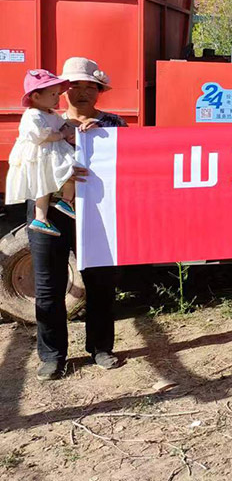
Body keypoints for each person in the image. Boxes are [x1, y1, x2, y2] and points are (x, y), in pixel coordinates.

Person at [31, 58, 126, 381]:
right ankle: (52, 356)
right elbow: (29, 160)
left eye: (90, 87)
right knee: (48, 287)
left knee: (101, 283)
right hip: (52, 212)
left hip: (100, 213)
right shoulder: (46, 122)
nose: (82, 92)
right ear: (62, 91)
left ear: (99, 92)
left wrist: (99, 139)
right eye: (75, 86)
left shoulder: (113, 124)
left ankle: (100, 348)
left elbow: (128, 166)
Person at [5, 70, 87, 236]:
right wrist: (62, 135)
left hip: (51, 154)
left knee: (66, 173)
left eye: (58, 93)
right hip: (40, 155)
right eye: (53, 94)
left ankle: (64, 201)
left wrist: (76, 131)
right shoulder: (32, 115)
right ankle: (41, 217)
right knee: (44, 185)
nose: (57, 98)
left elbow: (64, 126)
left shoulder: (51, 114)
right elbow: (40, 136)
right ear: (36, 96)